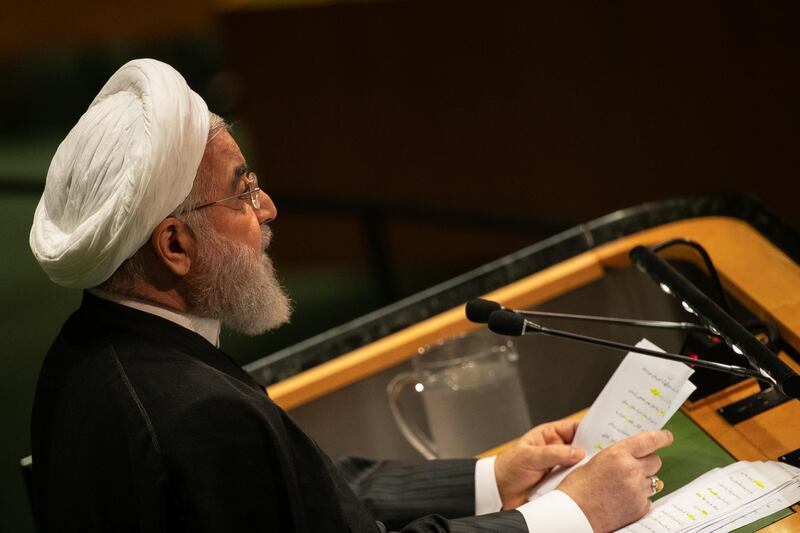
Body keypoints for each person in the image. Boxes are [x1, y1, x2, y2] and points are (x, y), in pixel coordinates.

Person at [29, 58, 672, 532]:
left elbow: (300, 496)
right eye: (243, 192)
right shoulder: (195, 415)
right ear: (175, 246)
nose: (269, 208)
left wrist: (492, 476)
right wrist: (570, 512)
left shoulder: (88, 351)